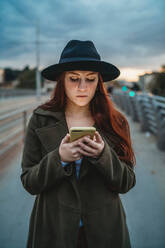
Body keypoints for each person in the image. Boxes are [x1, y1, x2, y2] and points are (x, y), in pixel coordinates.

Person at [20, 40, 136, 248]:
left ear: (98, 83)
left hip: (106, 229)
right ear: (62, 81)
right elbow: (29, 181)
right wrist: (59, 159)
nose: (82, 87)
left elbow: (127, 182)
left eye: (90, 79)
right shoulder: (40, 119)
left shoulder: (116, 122)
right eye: (74, 79)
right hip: (53, 229)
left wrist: (103, 156)